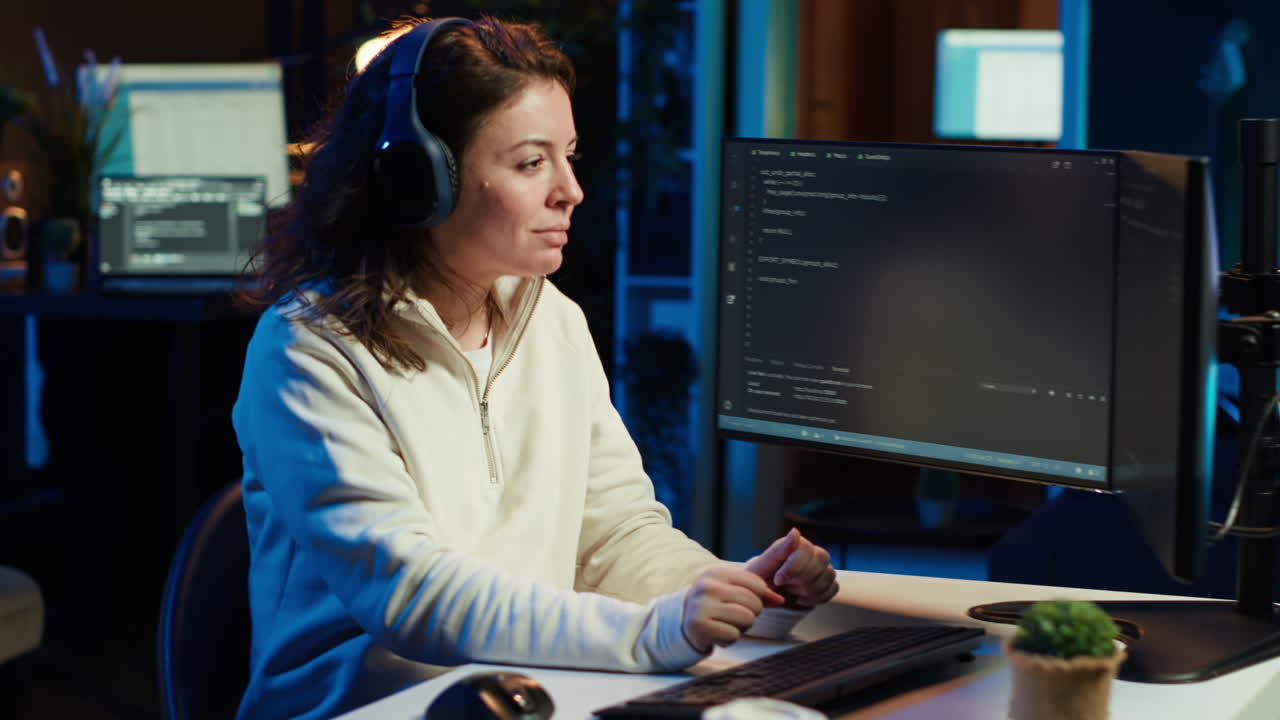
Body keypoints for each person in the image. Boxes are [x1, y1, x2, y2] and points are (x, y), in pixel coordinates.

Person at [232, 14, 838, 719]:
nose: (569, 190)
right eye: (530, 163)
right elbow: (411, 595)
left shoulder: (552, 322)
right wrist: (655, 631)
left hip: (532, 697)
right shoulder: (308, 351)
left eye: (569, 156)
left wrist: (737, 593)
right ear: (418, 179)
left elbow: (613, 535)